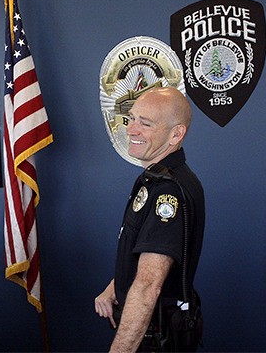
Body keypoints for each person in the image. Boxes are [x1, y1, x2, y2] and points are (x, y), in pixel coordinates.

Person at [95, 86, 205, 352]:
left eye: (145, 123)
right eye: (131, 118)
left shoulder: (168, 191)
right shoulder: (155, 178)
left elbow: (148, 286)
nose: (131, 129)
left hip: (155, 337)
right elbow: (142, 256)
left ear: (176, 134)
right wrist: (115, 286)